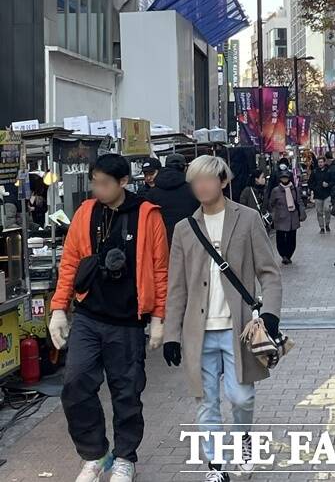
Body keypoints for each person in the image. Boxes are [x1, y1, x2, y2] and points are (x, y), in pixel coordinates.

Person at [48, 153, 168, 482]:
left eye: (103, 183)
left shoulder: (147, 215)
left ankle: (125, 457)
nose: (96, 189)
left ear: (123, 182)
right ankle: (95, 454)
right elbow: (70, 262)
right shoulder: (86, 212)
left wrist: (159, 316)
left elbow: (160, 269)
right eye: (94, 182)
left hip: (128, 321)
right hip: (88, 316)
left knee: (126, 393)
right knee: (75, 385)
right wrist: (60, 307)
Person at [163, 155, 282, 482]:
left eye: (207, 179)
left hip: (239, 328)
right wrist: (171, 334)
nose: (201, 187)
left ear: (223, 181)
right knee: (206, 402)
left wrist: (270, 314)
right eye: (195, 182)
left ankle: (244, 437)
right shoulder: (185, 230)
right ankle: (216, 467)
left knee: (241, 396)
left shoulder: (247, 219)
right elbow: (176, 287)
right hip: (197, 332)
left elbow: (270, 273)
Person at [143, 154, 198, 245]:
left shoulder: (152, 193)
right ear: (185, 168)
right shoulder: (193, 189)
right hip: (192, 237)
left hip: (163, 241)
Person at [268, 168, 305, 265]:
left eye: (286, 178)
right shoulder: (276, 190)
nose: (284, 180)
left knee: (291, 238)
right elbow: (271, 204)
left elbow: (299, 201)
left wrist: (302, 213)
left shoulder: (295, 189)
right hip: (280, 217)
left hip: (293, 217)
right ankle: (283, 255)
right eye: (283, 178)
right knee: (280, 238)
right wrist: (273, 214)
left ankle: (288, 255)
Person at [308, 155, 333, 233]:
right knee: (319, 211)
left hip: (327, 194)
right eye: (319, 162)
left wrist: (328, 184)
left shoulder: (329, 171)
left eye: (321, 162)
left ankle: (327, 224)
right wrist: (314, 188)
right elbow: (310, 183)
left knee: (327, 209)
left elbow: (334, 181)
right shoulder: (314, 172)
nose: (320, 164)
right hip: (318, 195)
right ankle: (322, 227)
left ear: (324, 162)